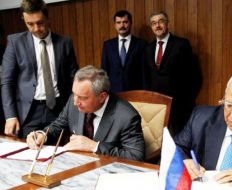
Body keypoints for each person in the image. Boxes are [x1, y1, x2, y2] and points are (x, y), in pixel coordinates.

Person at [26, 65, 145, 161]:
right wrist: (42, 135)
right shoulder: (74, 101)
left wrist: (94, 146)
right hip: (76, 166)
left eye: (82, 97)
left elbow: (135, 157)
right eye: (74, 94)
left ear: (102, 97)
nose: (75, 102)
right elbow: (58, 125)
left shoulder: (127, 117)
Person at [1, 0, 78, 138]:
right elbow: (7, 82)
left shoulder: (64, 43)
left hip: (58, 110)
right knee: (30, 155)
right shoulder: (15, 42)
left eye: (40, 23)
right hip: (29, 112)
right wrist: (10, 116)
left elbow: (74, 78)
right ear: (23, 20)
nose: (36, 28)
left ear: (48, 18)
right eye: (30, 24)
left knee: (59, 154)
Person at [144, 11, 200, 135]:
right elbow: (147, 77)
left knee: (180, 139)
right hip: (157, 104)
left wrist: (188, 100)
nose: (157, 25)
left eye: (160, 21)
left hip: (179, 104)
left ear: (167, 23)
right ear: (151, 27)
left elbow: (193, 75)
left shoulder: (181, 44)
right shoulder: (148, 48)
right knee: (159, 139)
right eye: (153, 23)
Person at [101, 10, 147, 93]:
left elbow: (144, 72)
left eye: (125, 22)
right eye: (118, 22)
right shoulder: (108, 45)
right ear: (115, 25)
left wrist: (143, 92)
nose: (122, 25)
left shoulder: (141, 44)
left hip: (135, 91)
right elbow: (104, 70)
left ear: (130, 23)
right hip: (114, 92)